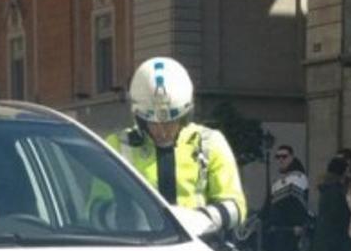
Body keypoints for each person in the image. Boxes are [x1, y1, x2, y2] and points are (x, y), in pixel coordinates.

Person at [103, 57, 246, 236]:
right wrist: (125, 216)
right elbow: (94, 208)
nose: (162, 131)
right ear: (139, 118)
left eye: (171, 122)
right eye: (153, 123)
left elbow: (236, 206)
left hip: (197, 249)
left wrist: (200, 219)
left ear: (186, 116)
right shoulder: (116, 146)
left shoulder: (210, 143)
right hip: (137, 250)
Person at [264, 145, 320, 251]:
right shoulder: (278, 181)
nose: (281, 159)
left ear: (292, 157)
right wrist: (263, 218)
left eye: (284, 156)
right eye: (278, 157)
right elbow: (270, 203)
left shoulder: (299, 177)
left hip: (290, 227)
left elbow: (298, 204)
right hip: (281, 226)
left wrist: (299, 224)